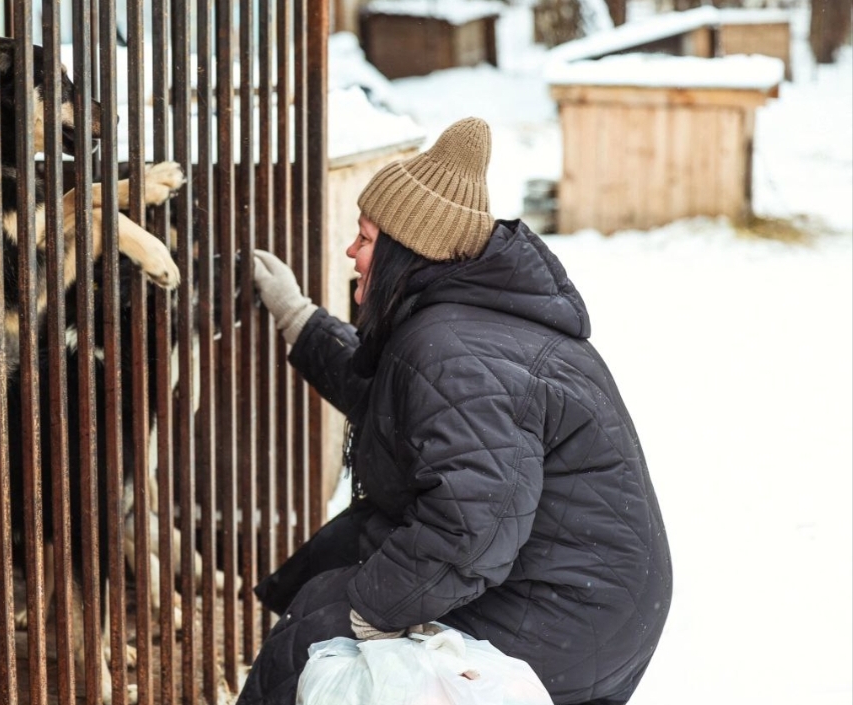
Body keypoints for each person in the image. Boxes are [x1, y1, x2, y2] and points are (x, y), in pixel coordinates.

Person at [240, 117, 672, 705]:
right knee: (344, 563)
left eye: (364, 238)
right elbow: (397, 400)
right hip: (583, 592)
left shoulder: (457, 350)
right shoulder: (462, 322)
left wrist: (373, 612)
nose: (351, 251)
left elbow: (469, 529)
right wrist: (299, 318)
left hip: (565, 614)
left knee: (318, 631)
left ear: (403, 251)